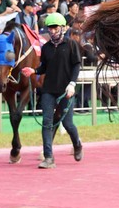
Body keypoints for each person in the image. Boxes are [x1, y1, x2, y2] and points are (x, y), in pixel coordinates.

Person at [21, 13, 83, 168]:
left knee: (67, 123)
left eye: (55, 28)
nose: (52, 31)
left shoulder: (71, 44)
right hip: (48, 89)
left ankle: (77, 144)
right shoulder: (46, 47)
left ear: (63, 28)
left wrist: (72, 84)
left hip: (66, 90)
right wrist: (34, 71)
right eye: (50, 28)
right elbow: (44, 67)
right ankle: (48, 157)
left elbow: (76, 65)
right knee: (47, 122)